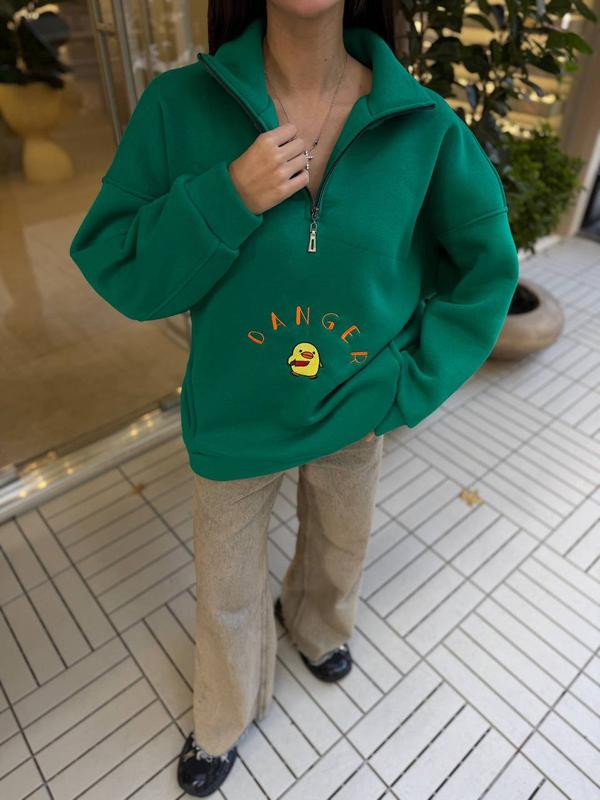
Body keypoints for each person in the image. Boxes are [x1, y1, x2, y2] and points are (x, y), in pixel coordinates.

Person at [69, 0, 520, 795]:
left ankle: (318, 626)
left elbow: (484, 266)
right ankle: (223, 718)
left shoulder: (422, 123)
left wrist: (408, 380)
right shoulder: (179, 106)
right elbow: (116, 260)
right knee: (227, 589)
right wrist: (225, 197)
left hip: (358, 404)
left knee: (341, 544)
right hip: (234, 416)